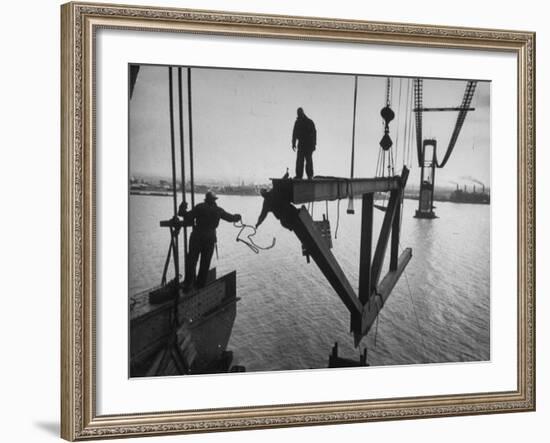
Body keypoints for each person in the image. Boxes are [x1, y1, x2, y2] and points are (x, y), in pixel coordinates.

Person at [178, 191, 241, 289]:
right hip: (210, 238)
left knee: (192, 260)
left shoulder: (199, 207)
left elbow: (184, 215)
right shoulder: (218, 210)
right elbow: (230, 218)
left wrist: (182, 207)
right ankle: (200, 285)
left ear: (206, 199)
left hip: (197, 237)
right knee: (205, 262)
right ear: (214, 200)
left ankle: (188, 283)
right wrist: (237, 217)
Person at [292, 107, 317, 179]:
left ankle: (309, 175)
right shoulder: (298, 122)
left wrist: (314, 144)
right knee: (300, 161)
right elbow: (294, 134)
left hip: (308, 145)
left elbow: (314, 134)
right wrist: (293, 143)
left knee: (308, 161)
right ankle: (300, 175)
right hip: (303, 145)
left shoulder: (309, 122)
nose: (298, 115)